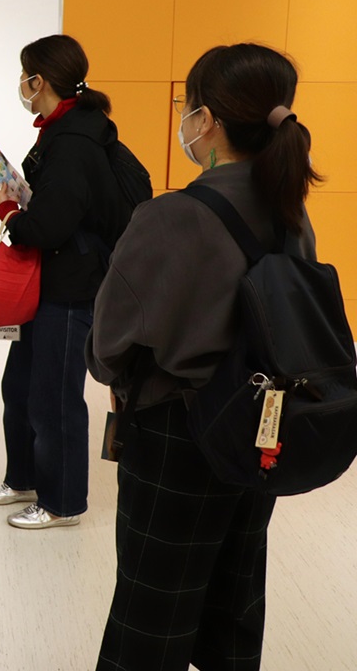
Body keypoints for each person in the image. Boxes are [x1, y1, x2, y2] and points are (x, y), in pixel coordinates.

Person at [86, 43, 319, 670]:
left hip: (178, 435)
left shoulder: (172, 216)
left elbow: (108, 344)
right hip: (264, 428)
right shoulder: (292, 215)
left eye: (187, 108)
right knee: (235, 596)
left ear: (207, 119)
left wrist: (114, 371)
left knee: (154, 606)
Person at [0, 35, 129, 529]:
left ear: (38, 80)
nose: (21, 84)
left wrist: (10, 210)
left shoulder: (73, 141)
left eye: (24, 75)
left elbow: (50, 226)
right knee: (20, 386)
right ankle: (24, 477)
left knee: (55, 398)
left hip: (70, 287)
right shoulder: (65, 128)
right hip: (44, 281)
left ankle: (62, 502)